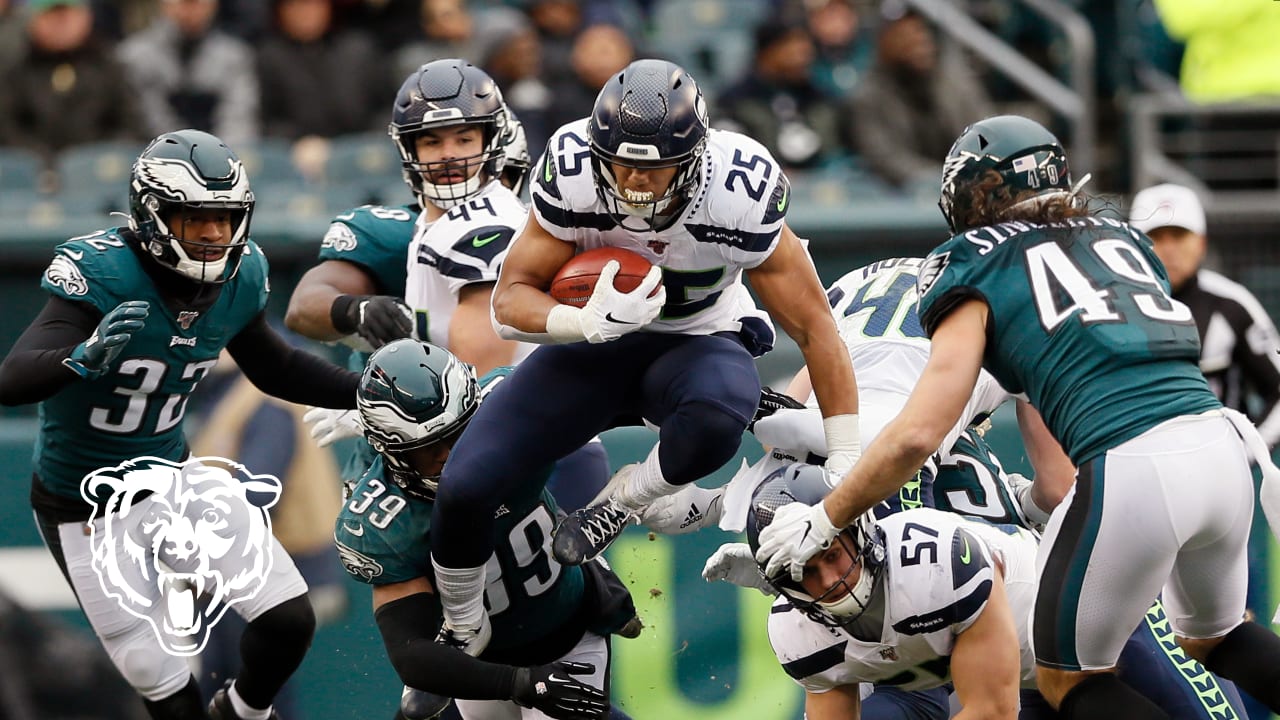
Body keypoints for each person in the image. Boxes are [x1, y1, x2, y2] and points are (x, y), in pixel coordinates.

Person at [753, 114, 1280, 719]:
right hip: (1221, 447)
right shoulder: (1125, 240)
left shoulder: (971, 263)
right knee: (1218, 638)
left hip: (1131, 464)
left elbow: (919, 434)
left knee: (1066, 678)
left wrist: (829, 516)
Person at [427, 57, 861, 656]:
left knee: (720, 411)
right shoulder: (573, 166)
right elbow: (508, 301)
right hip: (593, 347)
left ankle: (623, 501)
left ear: (696, 160)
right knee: (465, 486)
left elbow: (816, 329)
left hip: (698, 341)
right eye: (622, 163)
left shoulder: (738, 189)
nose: (634, 182)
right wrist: (579, 320)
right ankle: (462, 621)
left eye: (653, 169)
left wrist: (846, 456)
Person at [0, 128, 359, 720]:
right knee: (160, 681)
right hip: (82, 506)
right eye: (195, 219)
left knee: (290, 618)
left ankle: (241, 711)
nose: (215, 234)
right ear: (153, 214)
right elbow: (12, 376)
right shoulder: (104, 272)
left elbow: (275, 366)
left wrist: (363, 392)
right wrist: (75, 358)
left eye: (224, 217)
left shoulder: (241, 277)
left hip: (171, 478)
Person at [333, 339, 636, 720]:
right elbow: (410, 650)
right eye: (429, 449)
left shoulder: (510, 405)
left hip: (566, 627)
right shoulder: (382, 519)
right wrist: (521, 683)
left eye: (458, 435)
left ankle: (592, 572)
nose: (451, 457)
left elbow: (607, 414)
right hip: (475, 652)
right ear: (391, 451)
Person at [1130, 182, 1280, 447]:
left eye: (1178, 235)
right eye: (1156, 237)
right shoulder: (1115, 308)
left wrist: (1246, 453)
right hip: (1137, 469)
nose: (1169, 249)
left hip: (1222, 472)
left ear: (1201, 242)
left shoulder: (1232, 303)